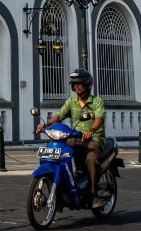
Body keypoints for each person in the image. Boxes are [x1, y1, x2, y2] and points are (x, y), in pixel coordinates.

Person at [36, 68, 108, 208]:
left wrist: (91, 130)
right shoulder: (71, 101)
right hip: (75, 137)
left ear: (87, 85)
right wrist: (46, 124)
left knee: (91, 159)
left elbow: (99, 119)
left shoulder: (97, 101)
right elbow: (59, 115)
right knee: (60, 151)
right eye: (74, 84)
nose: (76, 87)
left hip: (93, 139)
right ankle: (66, 184)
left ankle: (93, 193)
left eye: (79, 84)